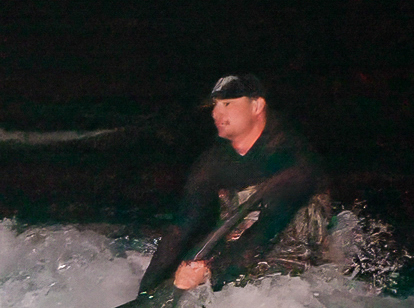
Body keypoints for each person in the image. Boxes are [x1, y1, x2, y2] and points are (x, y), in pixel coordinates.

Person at [139, 75, 330, 293]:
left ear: (257, 106)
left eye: (228, 104)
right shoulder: (213, 163)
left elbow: (265, 233)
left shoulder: (292, 157)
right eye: (215, 106)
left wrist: (211, 272)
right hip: (243, 244)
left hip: (292, 254)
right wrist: (146, 293)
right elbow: (181, 228)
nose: (216, 114)